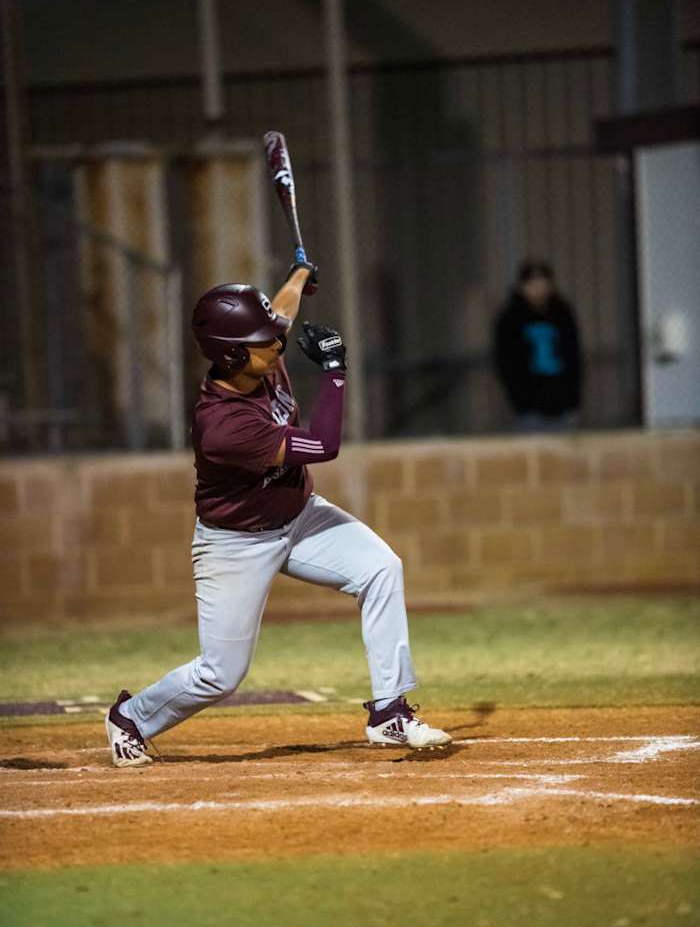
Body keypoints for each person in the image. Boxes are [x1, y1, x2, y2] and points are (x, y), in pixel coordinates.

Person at [105, 260, 451, 767]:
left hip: (299, 514)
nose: (278, 343)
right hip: (236, 542)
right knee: (221, 674)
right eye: (263, 340)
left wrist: (296, 278)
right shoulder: (223, 426)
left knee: (381, 568)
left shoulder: (256, 357)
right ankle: (131, 717)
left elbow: (282, 310)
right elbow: (325, 444)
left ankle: (389, 712)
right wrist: (334, 374)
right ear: (230, 354)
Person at [493, 259, 582, 432]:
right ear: (522, 287)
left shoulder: (562, 314)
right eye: (533, 284)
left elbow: (573, 357)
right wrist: (520, 399)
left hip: (561, 404)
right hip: (529, 408)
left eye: (543, 284)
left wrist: (572, 400)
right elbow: (506, 361)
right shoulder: (510, 318)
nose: (539, 290)